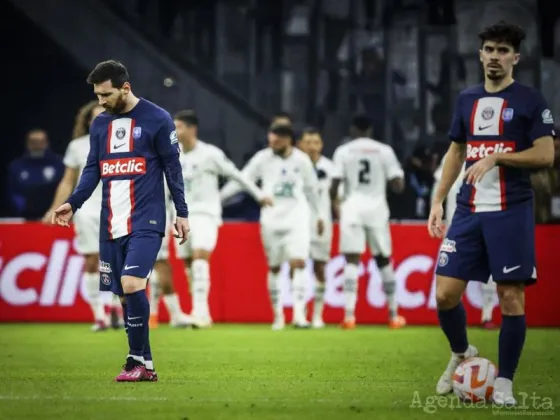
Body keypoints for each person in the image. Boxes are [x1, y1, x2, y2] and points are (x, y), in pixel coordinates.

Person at [428, 22, 555, 405]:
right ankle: (463, 352)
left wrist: (499, 156)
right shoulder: (467, 99)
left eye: (503, 50)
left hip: (510, 210)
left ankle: (505, 382)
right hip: (468, 210)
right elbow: (455, 151)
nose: (495, 57)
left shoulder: (531, 101)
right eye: (489, 49)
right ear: (480, 54)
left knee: (510, 297)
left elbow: (547, 155)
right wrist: (438, 200)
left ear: (516, 57)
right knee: (445, 295)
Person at [52, 60, 190, 382]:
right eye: (97, 96)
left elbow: (173, 169)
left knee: (132, 284)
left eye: (106, 95)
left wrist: (182, 212)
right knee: (125, 295)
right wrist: (72, 203)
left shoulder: (157, 118)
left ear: (125, 88)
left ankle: (134, 360)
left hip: (148, 219)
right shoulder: (100, 125)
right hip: (111, 221)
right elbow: (92, 170)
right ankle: (148, 366)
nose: (100, 102)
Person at [173, 110, 272, 328]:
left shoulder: (210, 154)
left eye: (179, 126)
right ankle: (202, 311)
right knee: (189, 265)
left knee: (200, 258)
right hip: (179, 216)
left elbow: (237, 175)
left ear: (192, 129)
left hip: (205, 214)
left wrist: (258, 195)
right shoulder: (172, 154)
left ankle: (199, 313)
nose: (175, 131)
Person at [221, 123, 326, 329]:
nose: (273, 143)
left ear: (288, 140)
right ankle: (278, 315)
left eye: (277, 140)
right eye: (271, 139)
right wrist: (220, 198)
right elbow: (242, 179)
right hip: (271, 220)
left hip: (297, 217)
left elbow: (313, 190)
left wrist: (319, 215)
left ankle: (298, 314)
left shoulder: (301, 160)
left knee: (299, 263)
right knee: (275, 267)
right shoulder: (262, 158)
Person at [44, 100, 125, 331]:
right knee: (92, 259)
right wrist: (55, 207)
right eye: (96, 117)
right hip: (88, 210)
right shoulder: (78, 146)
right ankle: (100, 314)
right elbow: (68, 180)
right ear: (88, 122)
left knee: (116, 260)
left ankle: (115, 308)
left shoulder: (124, 142)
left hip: (118, 207)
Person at [330, 115, 406, 330]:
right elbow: (398, 184)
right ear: (371, 129)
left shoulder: (344, 151)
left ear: (353, 129)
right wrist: (395, 184)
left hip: (351, 209)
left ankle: (349, 316)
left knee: (351, 260)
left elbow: (335, 183)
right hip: (377, 210)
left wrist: (335, 204)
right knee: (383, 259)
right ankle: (393, 315)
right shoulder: (384, 151)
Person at [432, 156, 498, 329]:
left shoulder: (487, 154)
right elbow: (439, 184)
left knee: (491, 272)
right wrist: (435, 208)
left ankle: (487, 315)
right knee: (449, 279)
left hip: (483, 223)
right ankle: (452, 320)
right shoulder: (451, 155)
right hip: (455, 229)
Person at [297, 127, 334, 328]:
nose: (312, 146)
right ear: (300, 144)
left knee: (320, 267)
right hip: (298, 222)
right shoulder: (294, 165)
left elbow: (336, 197)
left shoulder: (330, 167)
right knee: (299, 267)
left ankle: (318, 315)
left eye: (316, 142)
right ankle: (300, 312)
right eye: (308, 142)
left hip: (322, 223)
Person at [148, 183, 193, 329]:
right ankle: (175, 315)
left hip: (134, 212)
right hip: (154, 213)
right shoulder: (161, 162)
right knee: (161, 264)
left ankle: (150, 314)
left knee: (151, 266)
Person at [7, 129, 64, 219]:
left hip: (54, 214)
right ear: (27, 143)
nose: (37, 145)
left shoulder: (60, 164)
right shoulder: (16, 166)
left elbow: (65, 188)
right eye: (33, 142)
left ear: (47, 143)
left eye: (41, 142)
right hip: (26, 216)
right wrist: (22, 208)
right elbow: (13, 191)